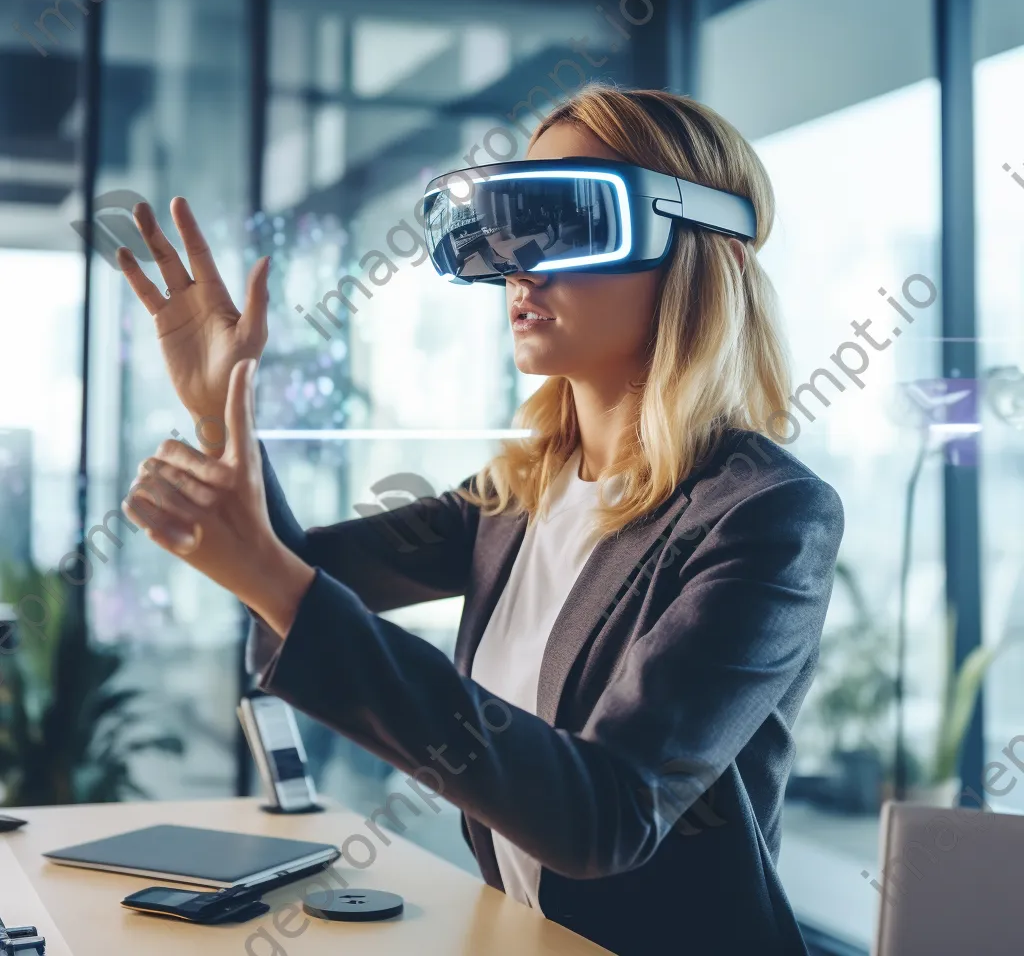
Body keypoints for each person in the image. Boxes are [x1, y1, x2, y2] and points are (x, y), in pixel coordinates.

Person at [116, 85, 844, 956]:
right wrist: (218, 404)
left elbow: (607, 815)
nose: (518, 267)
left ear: (689, 245)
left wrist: (277, 578)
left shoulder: (765, 516)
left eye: (567, 221)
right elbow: (297, 580)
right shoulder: (515, 494)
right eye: (506, 230)